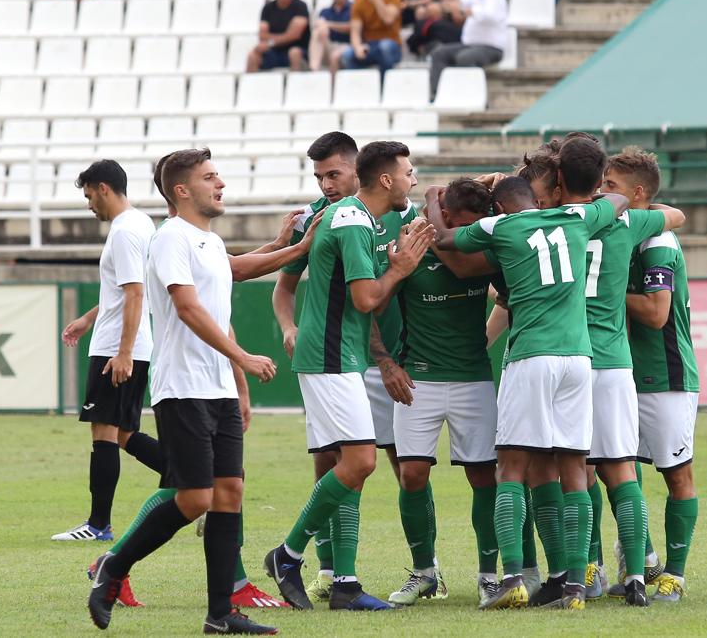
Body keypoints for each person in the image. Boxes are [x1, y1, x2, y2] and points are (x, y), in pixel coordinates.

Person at [88, 148, 316, 634]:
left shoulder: (207, 240)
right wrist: (244, 358)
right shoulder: (171, 237)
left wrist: (295, 249)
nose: (222, 185)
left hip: (215, 390)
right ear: (182, 191)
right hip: (183, 388)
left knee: (230, 491)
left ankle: (221, 615)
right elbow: (188, 309)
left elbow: (236, 268)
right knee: (194, 498)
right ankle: (114, 564)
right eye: (211, 177)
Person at [430, 138, 631, 611]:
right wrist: (588, 193)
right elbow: (619, 200)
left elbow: (443, 238)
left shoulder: (501, 226)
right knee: (573, 471)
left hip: (531, 358)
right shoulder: (581, 218)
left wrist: (432, 197)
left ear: (500, 205)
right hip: (580, 360)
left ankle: (514, 577)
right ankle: (573, 583)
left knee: (511, 470)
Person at [264, 142, 434, 612]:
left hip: (338, 356)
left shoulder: (356, 217)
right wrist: (400, 269)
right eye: (408, 172)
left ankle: (345, 584)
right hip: (331, 357)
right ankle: (288, 555)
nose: (412, 180)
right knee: (359, 463)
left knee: (350, 467)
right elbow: (365, 299)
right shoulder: (356, 223)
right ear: (385, 180)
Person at [384, 178, 501, 607]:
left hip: (473, 378)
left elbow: (503, 300)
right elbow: (375, 308)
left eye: (478, 224)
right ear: (444, 217)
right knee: (412, 474)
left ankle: (489, 576)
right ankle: (424, 572)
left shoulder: (485, 249)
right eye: (463, 225)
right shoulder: (410, 250)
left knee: (484, 476)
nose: (468, 233)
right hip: (420, 378)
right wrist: (387, 362)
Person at [54, 160, 164, 544]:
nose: (88, 205)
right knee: (123, 433)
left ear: (103, 188)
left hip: (118, 347)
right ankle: (197, 479)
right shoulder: (142, 224)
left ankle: (98, 524)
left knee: (104, 433)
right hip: (125, 342)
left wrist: (123, 352)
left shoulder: (123, 233)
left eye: (88, 196)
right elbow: (125, 292)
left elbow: (135, 294)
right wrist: (87, 319)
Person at [614, 148, 700, 604]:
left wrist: (606, 288)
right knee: (619, 466)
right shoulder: (622, 233)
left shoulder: (658, 240)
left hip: (665, 375)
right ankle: (642, 560)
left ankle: (676, 574)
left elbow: (655, 312)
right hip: (624, 372)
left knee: (676, 473)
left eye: (612, 185)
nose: (603, 192)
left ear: (639, 194)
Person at [430, 0, 508, 95]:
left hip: (491, 48)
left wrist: (465, 11)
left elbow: (489, 15)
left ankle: (468, 94)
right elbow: (467, 0)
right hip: (471, 45)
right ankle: (438, 94)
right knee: (439, 53)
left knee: (465, 58)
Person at [343, 0, 403, 74]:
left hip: (392, 43)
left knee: (385, 47)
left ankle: (384, 86)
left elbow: (388, 19)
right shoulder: (359, 3)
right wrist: (357, 47)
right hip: (370, 45)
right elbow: (355, 31)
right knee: (347, 55)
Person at [248, 0, 310, 73]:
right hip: (275, 52)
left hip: (298, 50)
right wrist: (272, 41)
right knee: (253, 55)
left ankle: (295, 86)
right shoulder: (267, 9)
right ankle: (250, 86)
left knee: (294, 53)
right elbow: (262, 35)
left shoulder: (300, 7)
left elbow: (294, 35)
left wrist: (270, 41)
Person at [309, 0, 353, 73]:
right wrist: (324, 27)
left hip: (349, 46)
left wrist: (329, 25)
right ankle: (314, 69)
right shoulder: (325, 12)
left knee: (335, 55)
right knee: (318, 30)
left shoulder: (354, 8)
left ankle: (332, 86)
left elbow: (353, 27)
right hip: (330, 46)